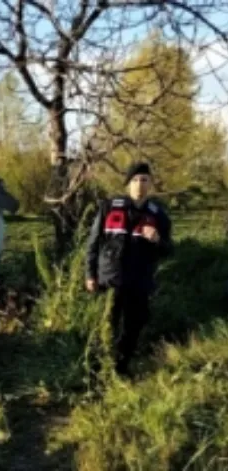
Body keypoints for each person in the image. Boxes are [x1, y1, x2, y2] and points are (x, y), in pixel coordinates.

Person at [85, 161, 174, 377]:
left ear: (150, 183)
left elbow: (169, 250)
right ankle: (96, 370)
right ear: (127, 184)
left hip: (140, 280)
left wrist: (157, 239)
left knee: (134, 325)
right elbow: (93, 242)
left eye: (144, 179)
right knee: (107, 324)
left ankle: (121, 368)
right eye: (135, 180)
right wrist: (90, 274)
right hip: (111, 278)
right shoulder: (109, 207)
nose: (139, 184)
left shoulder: (158, 215)